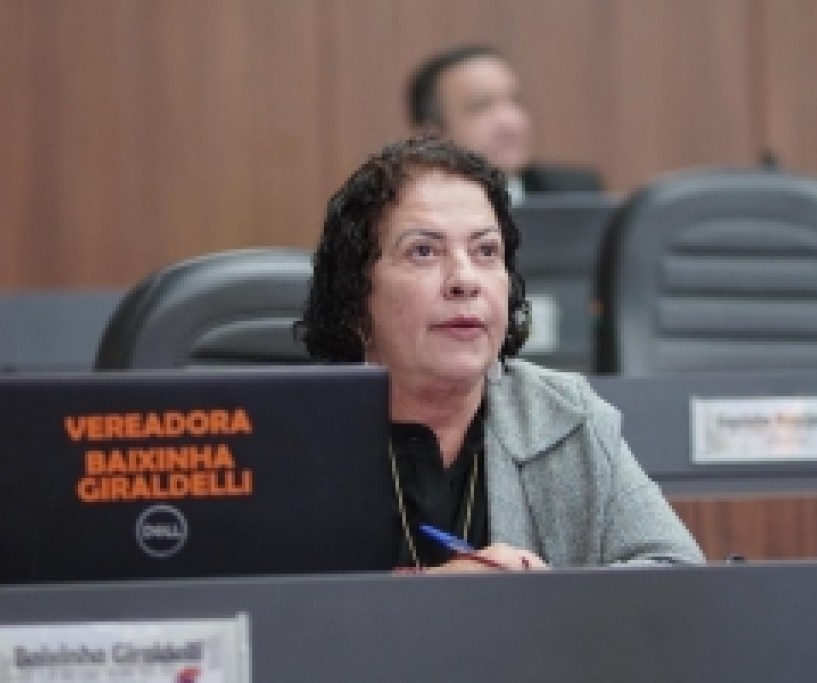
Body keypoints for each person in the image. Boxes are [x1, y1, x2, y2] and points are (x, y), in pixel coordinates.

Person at [297, 137, 702, 572]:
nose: (465, 279)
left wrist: (541, 598)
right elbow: (261, 600)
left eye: (486, 251)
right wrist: (426, 593)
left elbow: (679, 575)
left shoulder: (564, 417)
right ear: (355, 293)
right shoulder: (297, 442)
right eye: (424, 251)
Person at [406, 44, 605, 205]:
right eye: (481, 105)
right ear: (432, 135)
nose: (510, 120)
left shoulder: (576, 194)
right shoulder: (413, 208)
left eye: (515, 101)